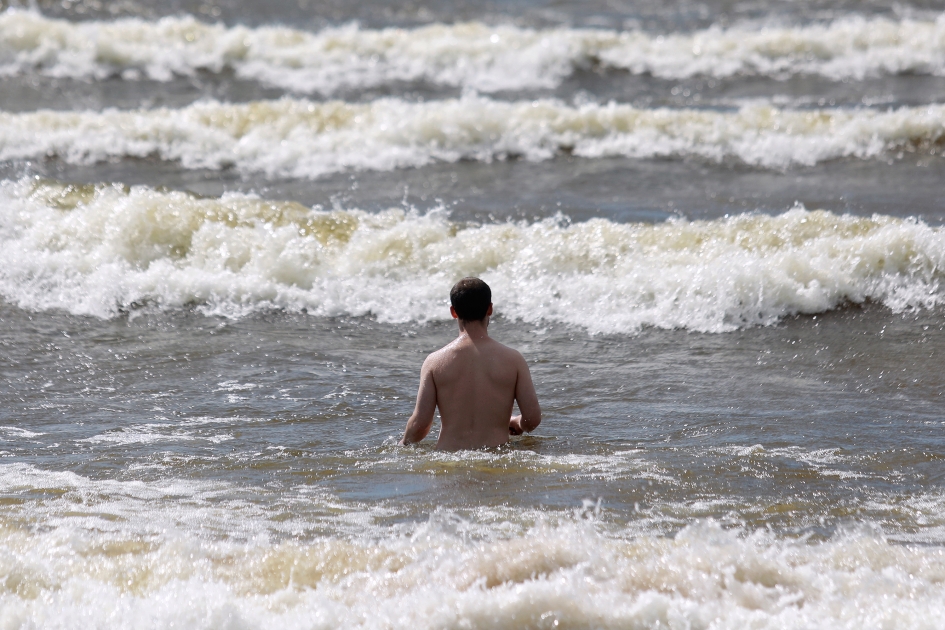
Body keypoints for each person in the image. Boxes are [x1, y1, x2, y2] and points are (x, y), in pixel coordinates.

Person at [399, 277, 542, 451]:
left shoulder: (435, 362)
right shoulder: (513, 360)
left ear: (453, 312)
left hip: (448, 459)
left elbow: (420, 424)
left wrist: (403, 444)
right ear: (490, 309)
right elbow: (532, 419)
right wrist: (518, 423)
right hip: (495, 457)